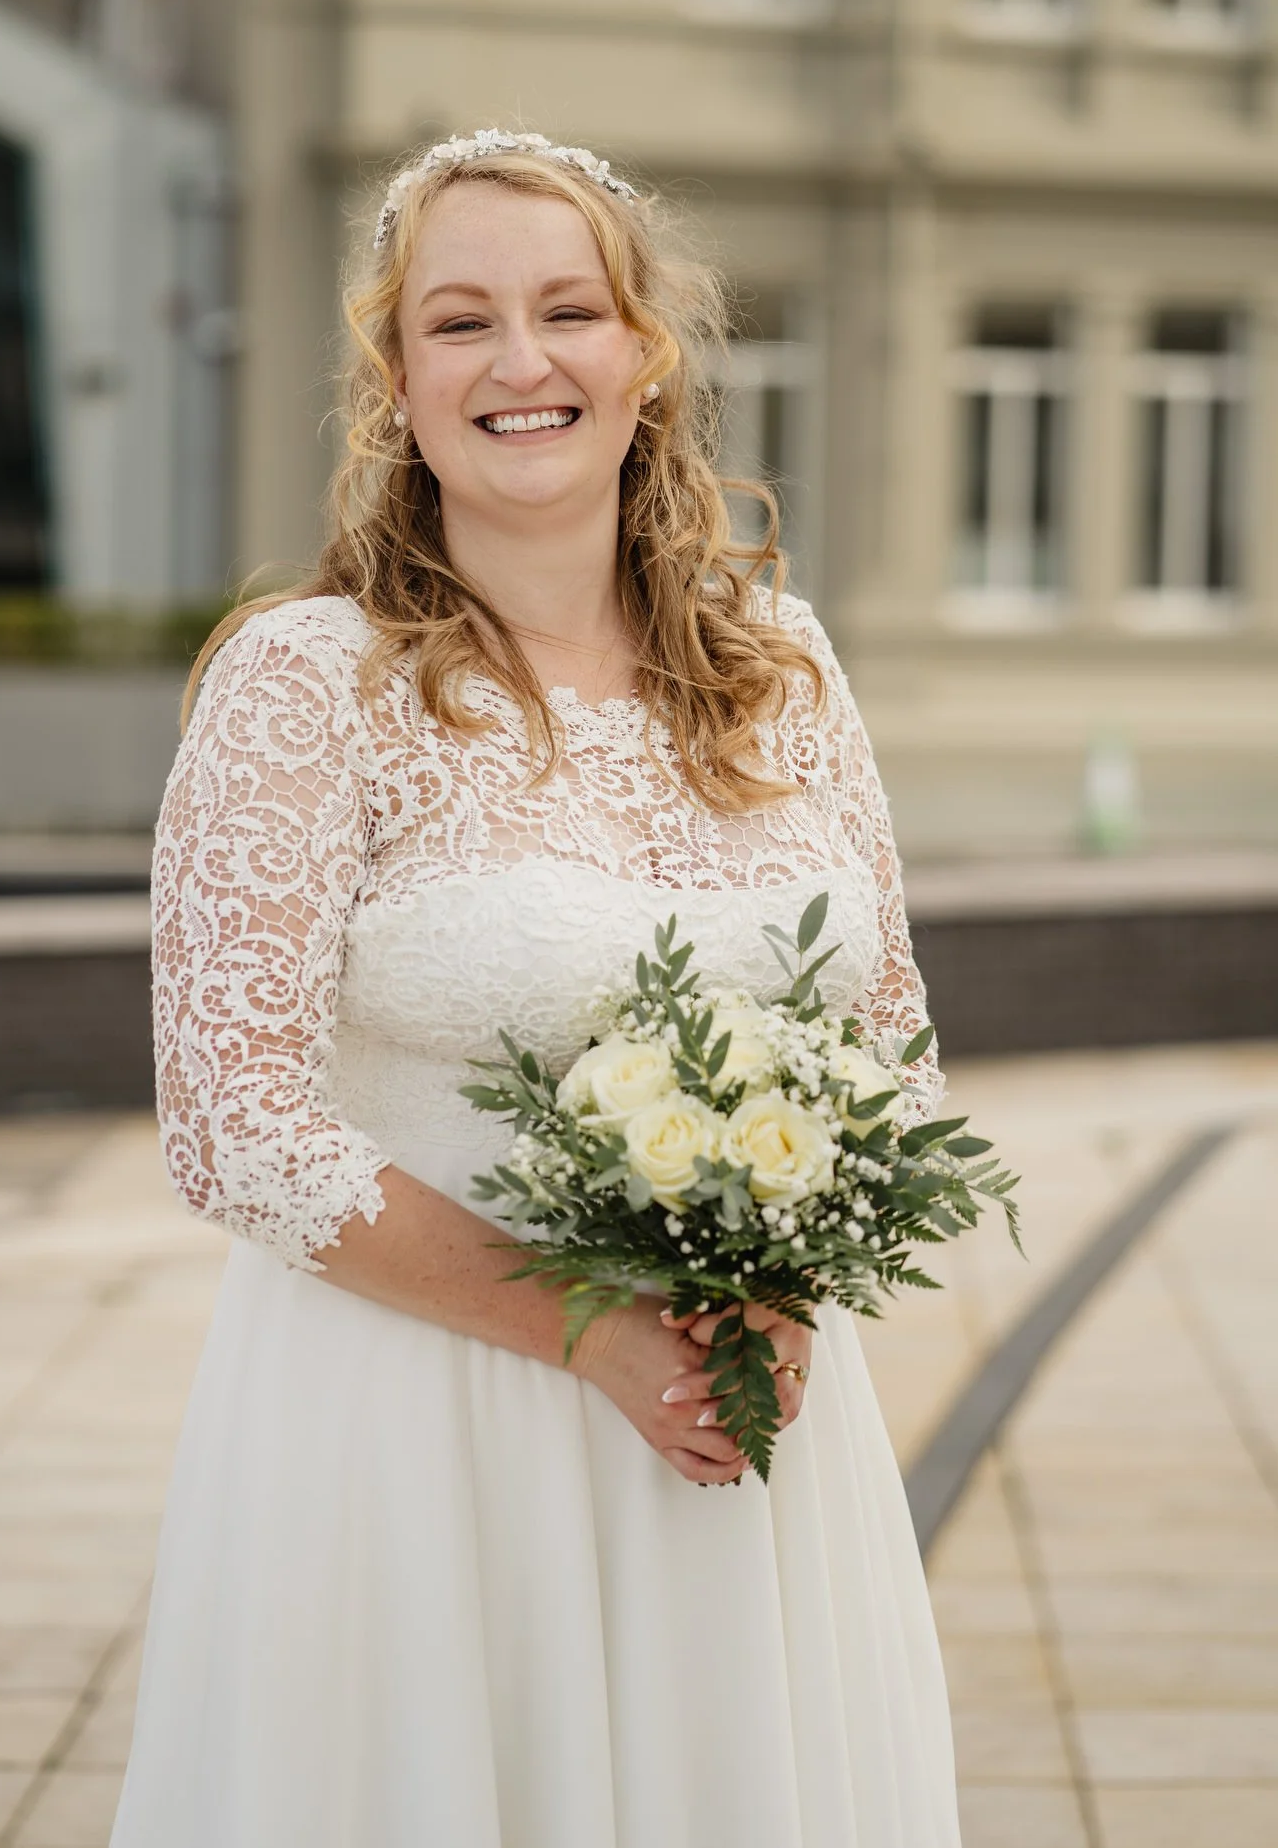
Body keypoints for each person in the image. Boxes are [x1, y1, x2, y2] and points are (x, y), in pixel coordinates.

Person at [111, 128, 960, 1846]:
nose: (521, 362)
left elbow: (895, 1044)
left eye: (568, 309)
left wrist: (779, 1304)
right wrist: (588, 1328)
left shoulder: (784, 671)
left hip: (740, 1431)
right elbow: (233, 1122)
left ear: (646, 355)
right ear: (397, 376)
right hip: (421, 1438)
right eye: (460, 321)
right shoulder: (305, 685)